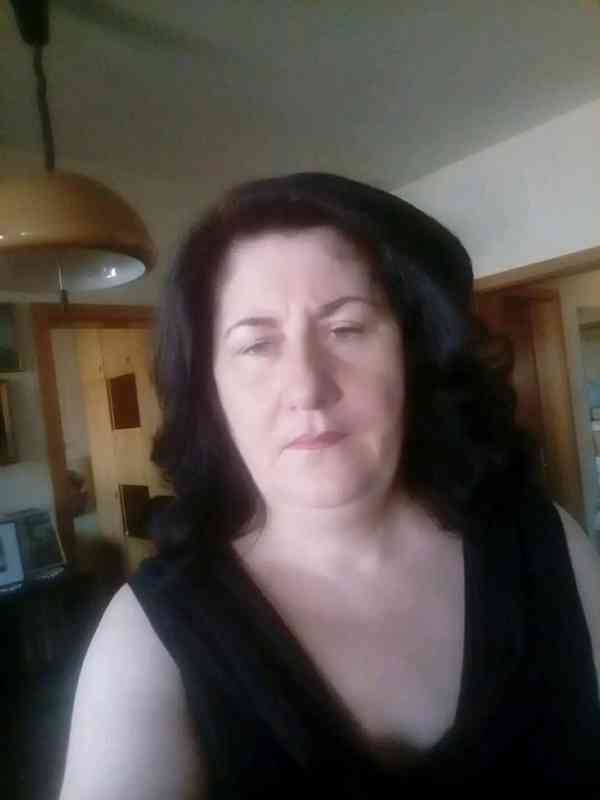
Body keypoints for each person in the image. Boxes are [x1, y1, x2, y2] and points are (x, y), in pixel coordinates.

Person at [59, 173, 600, 797]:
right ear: (212, 391)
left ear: (412, 356)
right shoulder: (147, 638)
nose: (307, 388)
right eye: (257, 345)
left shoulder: (545, 542)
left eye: (347, 329)